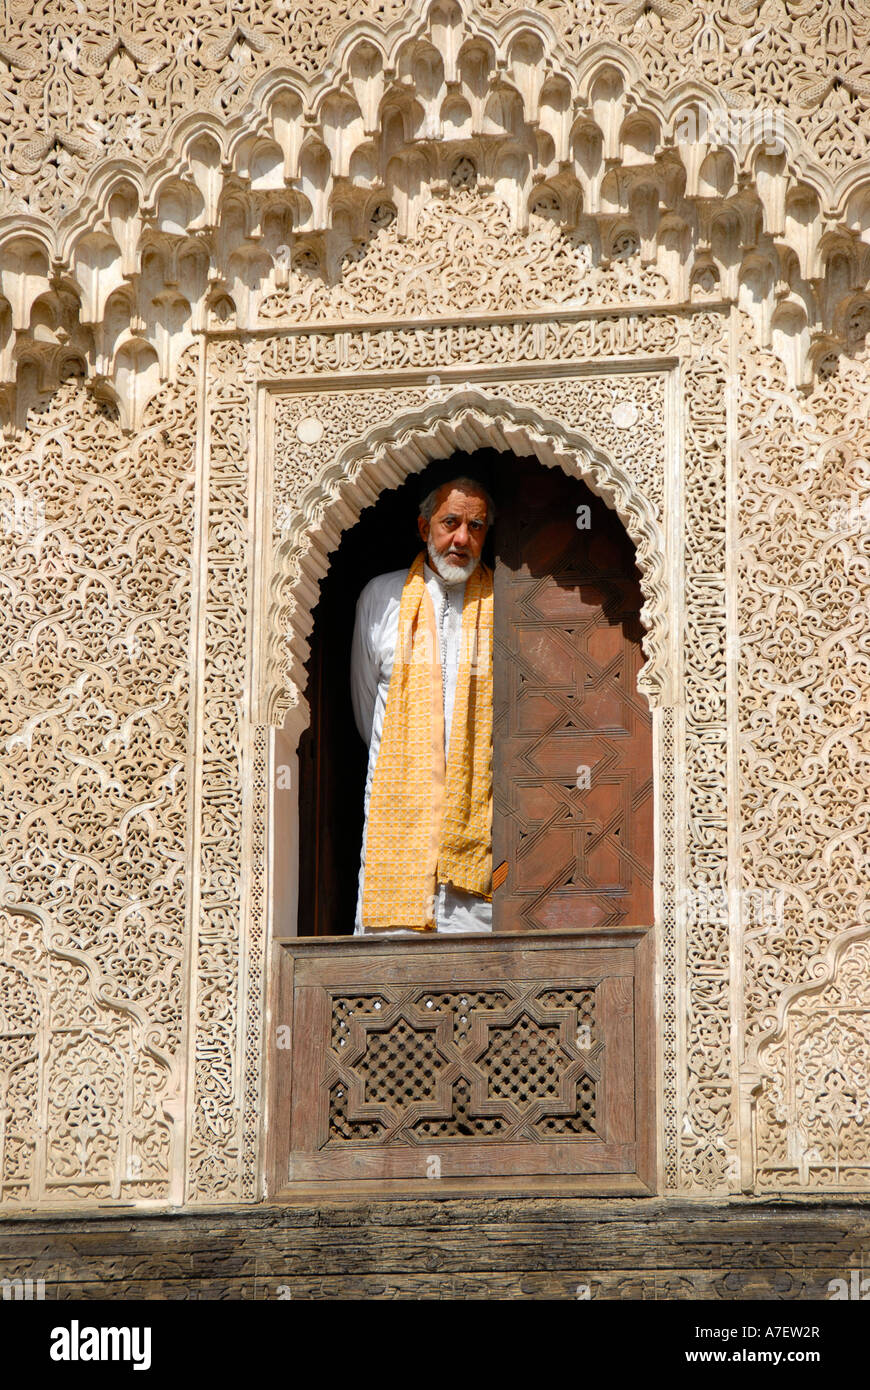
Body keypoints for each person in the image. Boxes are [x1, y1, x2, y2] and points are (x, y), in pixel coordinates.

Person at [350, 475, 495, 934]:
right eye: (450, 522)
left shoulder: (505, 602)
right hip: (400, 825)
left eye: (475, 527)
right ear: (423, 526)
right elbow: (364, 709)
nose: (461, 538)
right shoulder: (382, 597)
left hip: (478, 836)